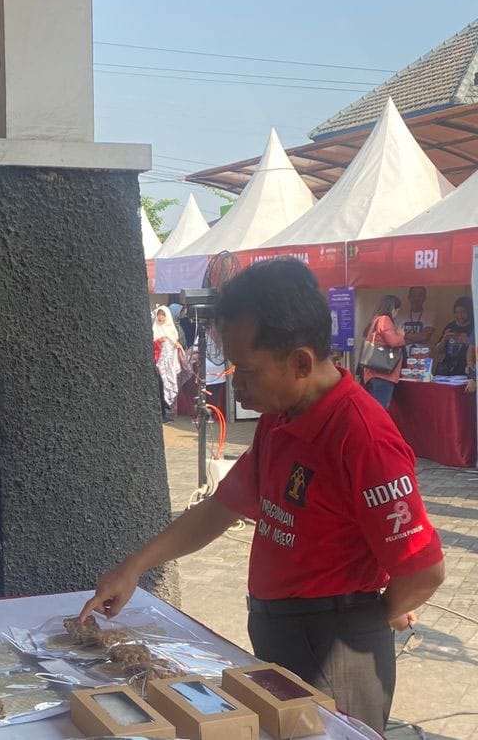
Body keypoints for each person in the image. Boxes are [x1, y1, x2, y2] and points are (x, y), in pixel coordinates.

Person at [79, 259, 445, 735]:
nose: (237, 385)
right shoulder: (281, 416)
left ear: (300, 363)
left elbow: (422, 570)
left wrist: (372, 619)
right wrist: (134, 567)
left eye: (248, 371)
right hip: (281, 630)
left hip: (337, 648)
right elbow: (222, 506)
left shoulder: (362, 438)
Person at [361, 295, 405, 409]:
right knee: (380, 410)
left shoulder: (375, 320)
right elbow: (393, 342)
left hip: (372, 373)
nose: (396, 314)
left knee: (372, 409)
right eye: (397, 311)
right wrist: (401, 335)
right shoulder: (385, 319)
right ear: (392, 309)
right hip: (382, 374)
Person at [153, 305, 185, 423]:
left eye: (163, 315)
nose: (160, 317)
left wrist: (177, 345)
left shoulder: (172, 330)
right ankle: (162, 413)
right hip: (158, 365)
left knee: (170, 386)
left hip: (170, 365)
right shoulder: (154, 329)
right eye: (159, 314)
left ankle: (168, 412)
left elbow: (178, 344)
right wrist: (158, 341)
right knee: (160, 388)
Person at [435, 296, 474, 377]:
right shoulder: (450, 326)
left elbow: (473, 348)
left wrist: (468, 341)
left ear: (469, 312)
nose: (459, 315)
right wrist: (444, 339)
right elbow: (438, 350)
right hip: (447, 369)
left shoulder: (474, 327)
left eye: (463, 312)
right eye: (456, 312)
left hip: (466, 369)